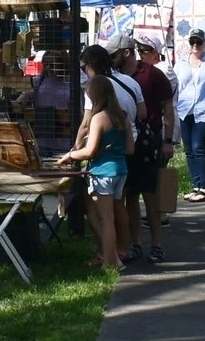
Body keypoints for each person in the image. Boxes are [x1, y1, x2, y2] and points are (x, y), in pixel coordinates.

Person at [60, 72, 132, 270]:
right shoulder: (123, 116)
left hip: (103, 172)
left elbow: (89, 151)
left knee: (106, 219)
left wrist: (71, 155)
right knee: (111, 217)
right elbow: (130, 149)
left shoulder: (98, 118)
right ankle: (114, 259)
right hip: (120, 171)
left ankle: (111, 262)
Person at [121, 39, 175, 264]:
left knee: (151, 195)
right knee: (130, 195)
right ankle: (135, 243)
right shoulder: (116, 76)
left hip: (150, 140)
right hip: (128, 140)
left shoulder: (153, 74)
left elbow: (168, 109)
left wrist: (168, 140)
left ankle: (157, 244)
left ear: (125, 53)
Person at [171, 31, 205, 201]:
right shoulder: (180, 63)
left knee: (198, 147)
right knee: (189, 150)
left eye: (199, 42)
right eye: (192, 41)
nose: (195, 45)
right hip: (184, 109)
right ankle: (196, 186)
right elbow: (173, 85)